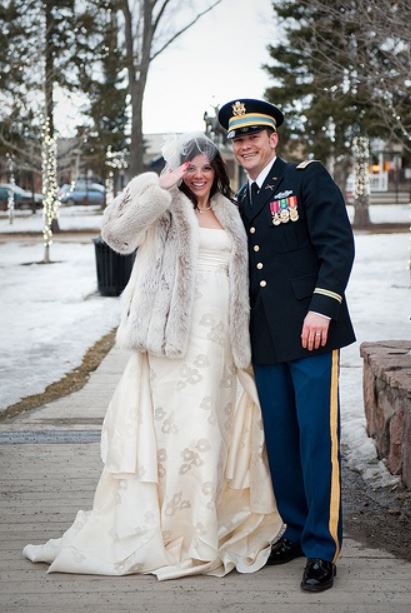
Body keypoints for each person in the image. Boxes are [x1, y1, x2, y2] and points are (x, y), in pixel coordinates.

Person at [23, 133, 284, 580]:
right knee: (184, 431)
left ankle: (213, 520)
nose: (199, 176)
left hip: (222, 340)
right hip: (174, 341)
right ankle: (178, 528)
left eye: (206, 167)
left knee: (216, 427)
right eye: (190, 168)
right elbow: (115, 233)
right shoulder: (163, 208)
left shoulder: (230, 211)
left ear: (217, 171)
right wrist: (157, 188)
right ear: (178, 172)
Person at [218, 99, 355, 592]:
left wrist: (323, 307)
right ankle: (296, 530)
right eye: (238, 137)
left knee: (318, 440)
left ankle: (323, 548)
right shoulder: (241, 199)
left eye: (255, 134)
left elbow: (337, 245)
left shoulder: (306, 179)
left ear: (274, 138)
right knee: (281, 442)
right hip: (267, 340)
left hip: (313, 330)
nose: (246, 144)